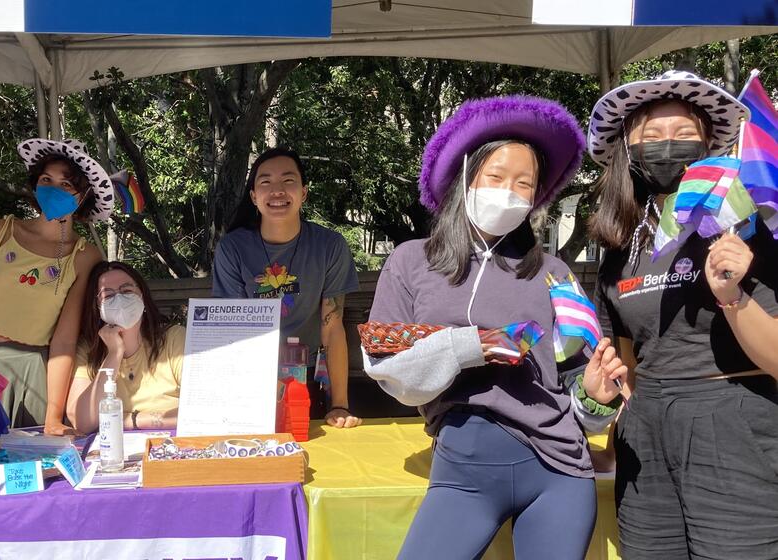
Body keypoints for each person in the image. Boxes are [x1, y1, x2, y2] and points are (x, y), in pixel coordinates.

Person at [364, 96, 626, 559]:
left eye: (525, 184)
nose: (510, 192)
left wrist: (594, 396)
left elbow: (580, 393)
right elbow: (387, 364)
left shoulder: (554, 272)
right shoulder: (411, 260)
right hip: (462, 469)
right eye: (497, 177)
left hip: (559, 471)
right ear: (468, 176)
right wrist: (472, 346)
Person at [587, 70, 778, 559]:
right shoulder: (620, 245)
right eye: (651, 136)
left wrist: (732, 295)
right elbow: (623, 364)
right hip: (645, 433)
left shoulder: (746, 222)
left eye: (683, 134)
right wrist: (606, 405)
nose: (667, 145)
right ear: (627, 150)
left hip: (733, 421)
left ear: (710, 143)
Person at [0, 138, 109, 433]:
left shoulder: (86, 255)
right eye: (46, 179)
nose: (54, 188)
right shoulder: (2, 231)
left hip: (37, 371)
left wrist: (54, 414)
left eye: (67, 184)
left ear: (84, 193)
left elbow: (64, 339)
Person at [212, 147, 362, 428]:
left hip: (307, 379)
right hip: (250, 378)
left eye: (288, 181)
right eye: (265, 182)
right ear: (254, 197)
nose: (277, 191)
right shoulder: (233, 249)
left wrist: (339, 404)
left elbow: (332, 325)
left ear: (304, 192)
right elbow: (233, 328)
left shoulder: (330, 246)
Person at [66, 261, 184, 433]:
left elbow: (200, 408)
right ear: (98, 306)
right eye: (109, 295)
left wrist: (131, 420)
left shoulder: (174, 338)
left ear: (142, 296)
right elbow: (81, 422)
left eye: (126, 291)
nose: (119, 299)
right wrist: (114, 354)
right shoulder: (87, 350)